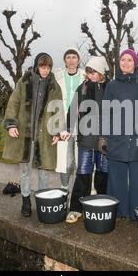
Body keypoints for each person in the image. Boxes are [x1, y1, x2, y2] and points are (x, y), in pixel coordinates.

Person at [3, 53, 64, 217]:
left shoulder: (54, 86)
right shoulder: (24, 81)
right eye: (43, 67)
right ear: (37, 66)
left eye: (48, 67)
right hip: (25, 135)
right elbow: (13, 102)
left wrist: (57, 132)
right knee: (25, 171)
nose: (46, 70)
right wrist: (10, 124)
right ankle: (26, 202)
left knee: (44, 171)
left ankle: (42, 202)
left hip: (44, 137)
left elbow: (58, 110)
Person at [102, 49, 138, 220]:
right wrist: (104, 137)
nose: (126, 63)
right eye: (123, 60)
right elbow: (106, 112)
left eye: (130, 60)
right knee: (117, 180)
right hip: (117, 140)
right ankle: (120, 212)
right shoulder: (112, 85)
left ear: (135, 63)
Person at [64, 56, 110, 223]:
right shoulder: (81, 88)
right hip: (86, 140)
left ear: (101, 73)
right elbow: (72, 110)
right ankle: (76, 208)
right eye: (88, 71)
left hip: (105, 141)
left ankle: (104, 206)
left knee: (104, 175)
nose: (90, 75)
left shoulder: (110, 87)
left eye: (94, 72)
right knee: (83, 174)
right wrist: (67, 129)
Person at [54, 48, 86, 190]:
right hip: (63, 123)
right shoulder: (58, 76)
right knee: (65, 161)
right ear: (65, 60)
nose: (71, 60)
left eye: (74, 57)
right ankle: (64, 190)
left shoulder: (85, 76)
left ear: (78, 60)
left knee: (81, 161)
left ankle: (79, 193)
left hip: (82, 123)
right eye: (68, 57)